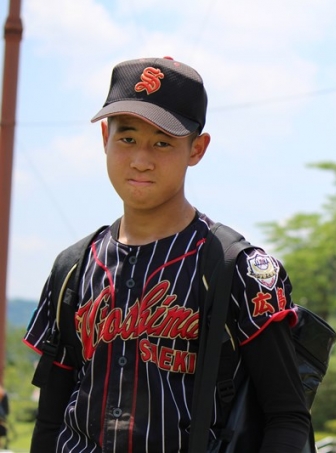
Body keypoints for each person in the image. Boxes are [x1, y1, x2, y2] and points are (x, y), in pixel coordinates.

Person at [23, 56, 310, 453]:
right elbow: (51, 418)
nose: (141, 160)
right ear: (105, 136)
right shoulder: (74, 266)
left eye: (162, 142)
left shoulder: (238, 268)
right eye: (127, 138)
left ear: (197, 148)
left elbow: (288, 417)